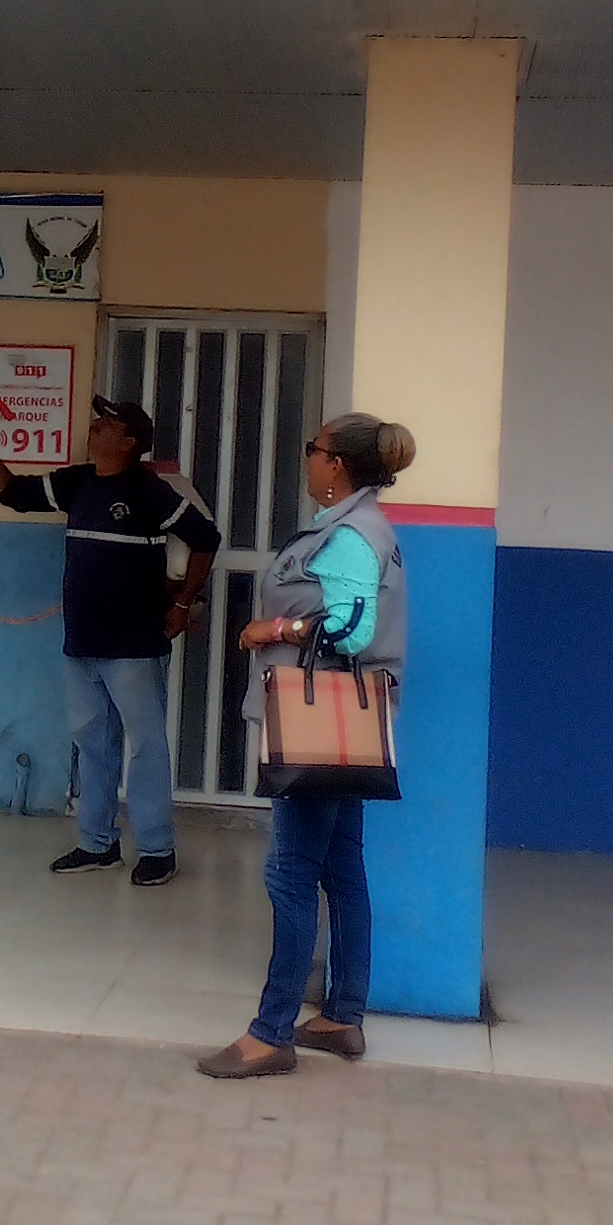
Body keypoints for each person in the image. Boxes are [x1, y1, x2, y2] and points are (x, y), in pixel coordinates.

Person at [196, 411, 414, 1079]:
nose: (308, 459)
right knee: (341, 869)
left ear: (336, 464)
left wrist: (274, 629)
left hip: (318, 729)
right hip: (342, 729)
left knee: (290, 873)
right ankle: (342, 1016)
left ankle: (271, 1033)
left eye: (313, 449)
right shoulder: (357, 527)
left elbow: (350, 628)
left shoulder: (351, 535)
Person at [0, 391, 219, 886]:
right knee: (94, 744)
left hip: (134, 645)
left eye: (108, 424)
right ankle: (97, 844)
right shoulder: (77, 482)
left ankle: (157, 849)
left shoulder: (149, 491)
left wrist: (183, 604)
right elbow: (9, 492)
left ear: (129, 442)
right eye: (97, 421)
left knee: (145, 747)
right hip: (82, 643)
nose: (96, 427)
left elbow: (206, 538)